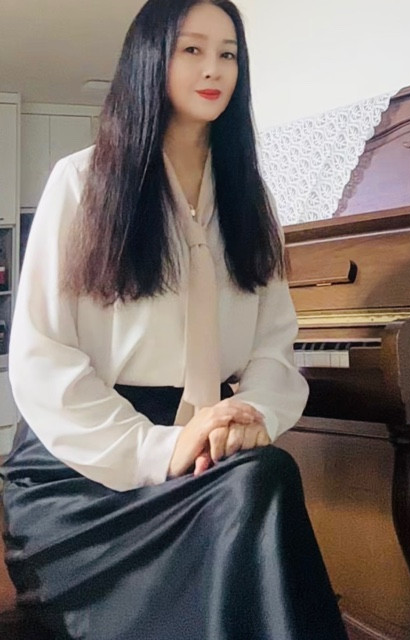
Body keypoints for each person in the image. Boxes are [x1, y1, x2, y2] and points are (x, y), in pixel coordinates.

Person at [0, 1, 349, 639]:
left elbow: (275, 345)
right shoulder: (81, 183)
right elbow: (42, 357)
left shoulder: (251, 199)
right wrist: (160, 448)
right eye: (192, 49)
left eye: (228, 53)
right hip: (83, 471)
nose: (213, 68)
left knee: (260, 476)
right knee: (257, 487)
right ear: (150, 58)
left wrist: (254, 415)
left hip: (206, 446)